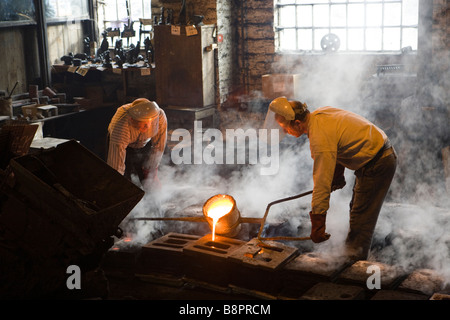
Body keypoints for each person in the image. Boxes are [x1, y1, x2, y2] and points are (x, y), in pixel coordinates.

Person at [266, 96, 397, 261]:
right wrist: (337, 175)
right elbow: (339, 142)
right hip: (377, 155)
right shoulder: (320, 114)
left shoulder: (319, 139)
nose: (285, 132)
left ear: (298, 123)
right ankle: (354, 253)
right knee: (357, 209)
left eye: (285, 128)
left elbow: (321, 184)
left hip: (378, 163)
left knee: (361, 217)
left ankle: (354, 263)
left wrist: (318, 225)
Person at [107, 98, 167, 190]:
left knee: (149, 181)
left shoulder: (159, 115)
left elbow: (159, 146)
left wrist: (151, 172)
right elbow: (116, 167)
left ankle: (153, 202)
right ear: (132, 120)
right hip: (122, 146)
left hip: (144, 143)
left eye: (150, 122)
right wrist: (117, 184)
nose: (148, 126)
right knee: (125, 181)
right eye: (143, 123)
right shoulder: (121, 127)